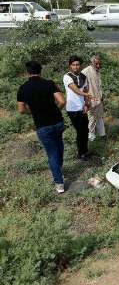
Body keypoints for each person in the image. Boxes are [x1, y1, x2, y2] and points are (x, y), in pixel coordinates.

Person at [17, 61, 66, 193]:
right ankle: (59, 170)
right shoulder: (49, 83)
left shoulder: (23, 88)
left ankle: (59, 183)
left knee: (51, 154)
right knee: (59, 146)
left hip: (42, 125)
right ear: (40, 71)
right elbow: (61, 101)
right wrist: (57, 110)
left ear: (27, 72)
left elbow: (21, 110)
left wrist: (32, 112)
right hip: (57, 121)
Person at [64, 55, 92, 161]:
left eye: (78, 64)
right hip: (73, 109)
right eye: (74, 65)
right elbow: (76, 90)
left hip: (82, 108)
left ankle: (85, 151)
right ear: (70, 66)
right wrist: (88, 96)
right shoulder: (67, 77)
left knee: (85, 131)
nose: (76, 67)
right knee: (80, 132)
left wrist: (86, 104)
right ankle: (81, 153)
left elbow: (85, 90)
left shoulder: (83, 77)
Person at [82, 55, 105, 141]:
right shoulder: (85, 72)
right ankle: (91, 138)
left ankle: (102, 135)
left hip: (98, 98)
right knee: (91, 119)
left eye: (99, 64)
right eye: (96, 64)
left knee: (99, 117)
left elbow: (98, 86)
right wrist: (86, 100)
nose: (98, 66)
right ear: (91, 63)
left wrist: (101, 96)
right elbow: (82, 88)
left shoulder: (97, 71)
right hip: (90, 100)